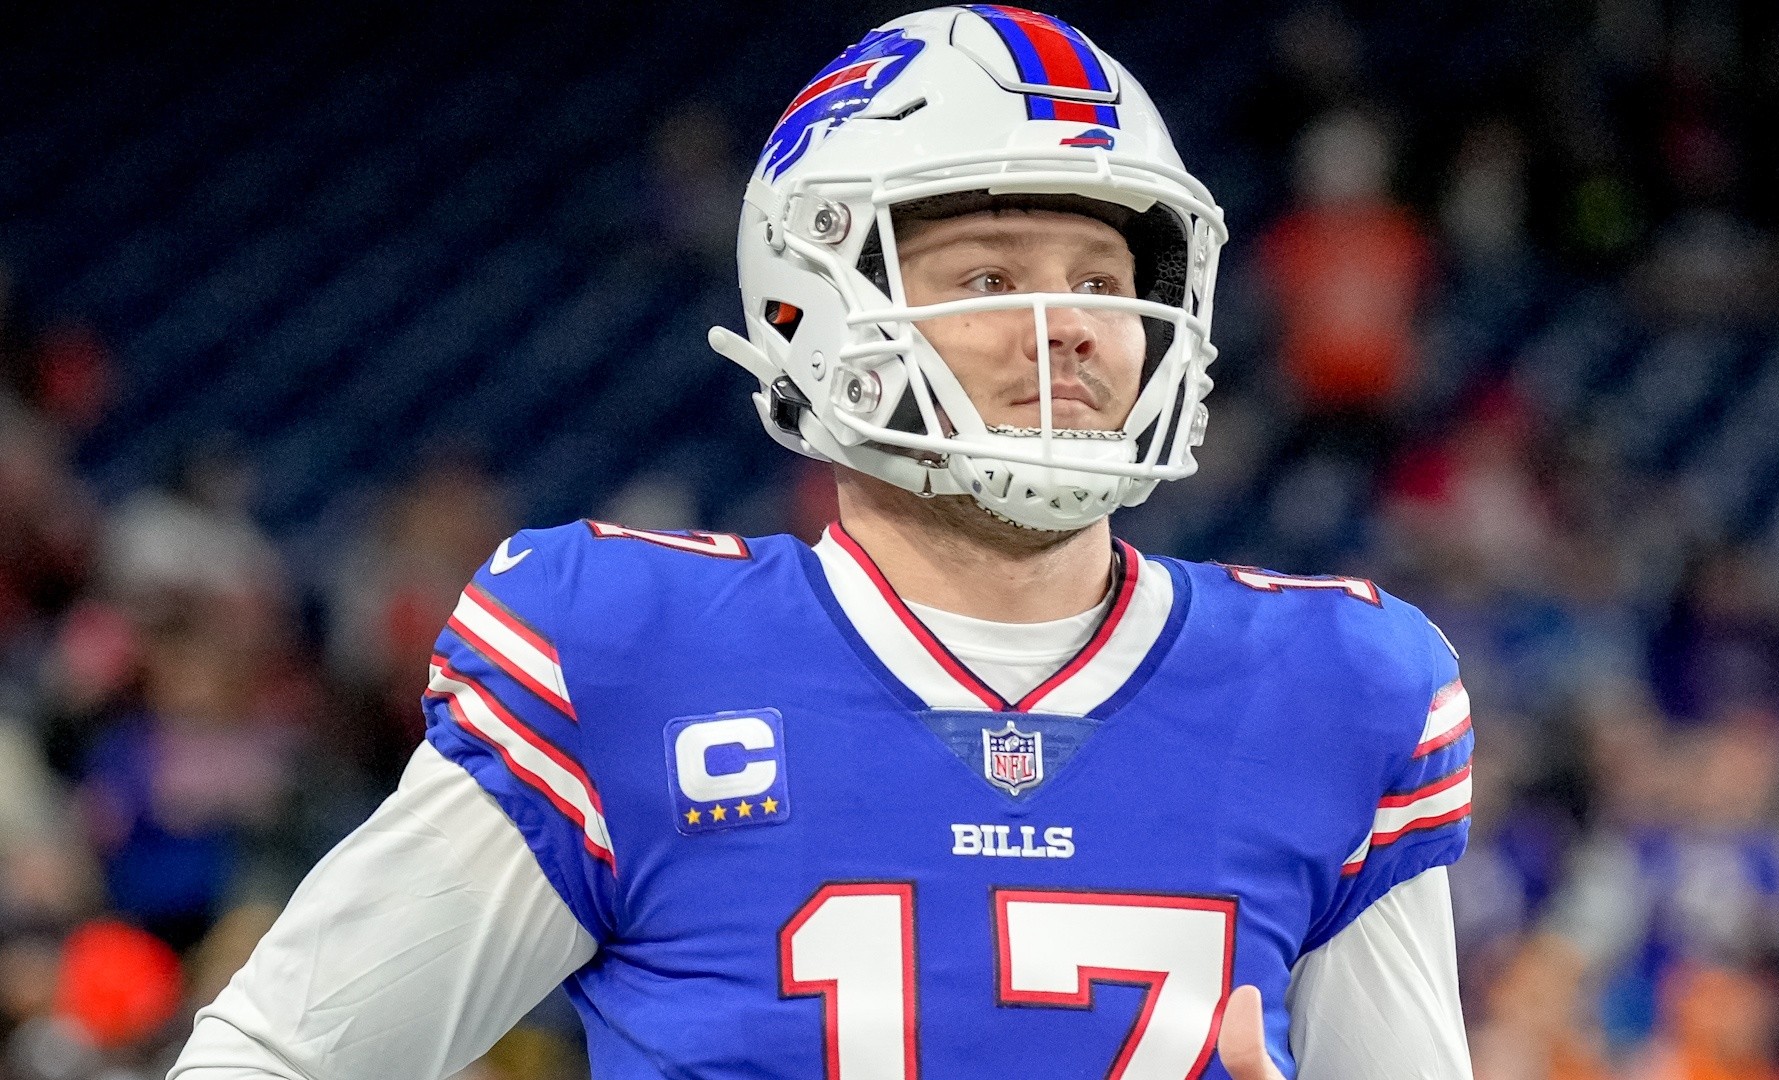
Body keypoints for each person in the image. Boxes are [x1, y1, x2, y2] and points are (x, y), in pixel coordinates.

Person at [170, 8, 1474, 1079]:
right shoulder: (628, 652)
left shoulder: (1339, 685)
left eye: (1101, 275)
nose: (1070, 323)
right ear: (819, 310)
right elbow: (283, 1058)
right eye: (989, 276)